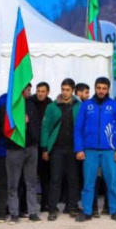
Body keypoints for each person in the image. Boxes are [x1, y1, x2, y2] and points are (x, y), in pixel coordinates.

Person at [74, 77, 116, 222]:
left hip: (110, 150)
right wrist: (79, 149)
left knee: (112, 182)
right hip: (90, 150)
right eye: (99, 88)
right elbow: (78, 129)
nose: (101, 91)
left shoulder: (115, 106)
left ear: (108, 89)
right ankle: (87, 211)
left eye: (104, 88)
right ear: (95, 88)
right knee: (88, 183)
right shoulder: (86, 106)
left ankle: (115, 210)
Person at [41, 79, 82, 221]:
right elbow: (45, 129)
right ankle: (52, 208)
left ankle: (72, 206)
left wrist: (81, 148)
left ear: (73, 90)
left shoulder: (79, 106)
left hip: (73, 148)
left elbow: (82, 128)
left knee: (73, 179)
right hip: (57, 149)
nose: (64, 92)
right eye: (63, 89)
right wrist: (45, 148)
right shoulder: (52, 107)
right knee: (55, 179)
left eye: (67, 90)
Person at [5, 79, 42, 224]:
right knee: (13, 184)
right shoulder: (10, 105)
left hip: (31, 148)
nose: (29, 92)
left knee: (31, 182)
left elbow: (37, 125)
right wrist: (20, 123)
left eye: (30, 90)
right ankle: (14, 213)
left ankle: (32, 212)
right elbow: (4, 128)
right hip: (15, 149)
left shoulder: (31, 104)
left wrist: (32, 130)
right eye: (27, 89)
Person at [29, 82, 53, 212]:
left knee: (45, 176)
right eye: (38, 91)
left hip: (45, 146)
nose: (40, 93)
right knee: (30, 176)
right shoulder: (30, 102)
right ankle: (28, 205)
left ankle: (45, 203)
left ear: (48, 92)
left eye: (43, 91)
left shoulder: (51, 105)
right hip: (31, 144)